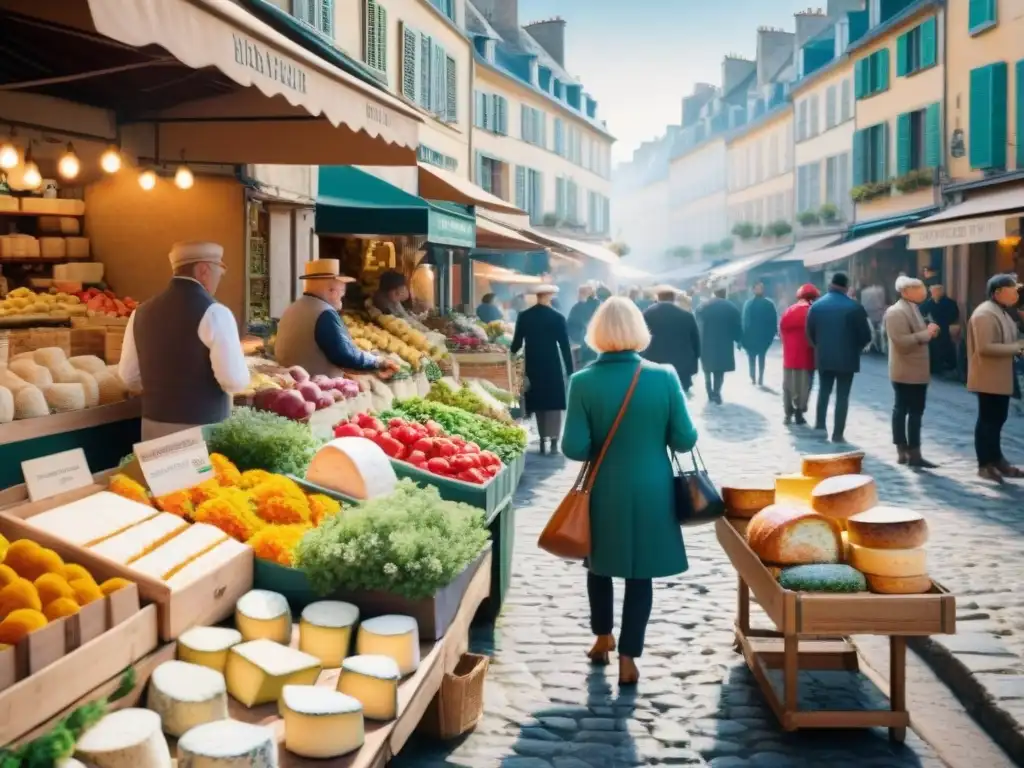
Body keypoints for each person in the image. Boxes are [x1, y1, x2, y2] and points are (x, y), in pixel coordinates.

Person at [561, 297, 698, 687]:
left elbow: (574, 448)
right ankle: (628, 658)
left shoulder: (583, 381)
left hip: (604, 489)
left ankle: (602, 636)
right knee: (641, 575)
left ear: (596, 333)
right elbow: (685, 440)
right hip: (654, 488)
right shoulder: (665, 376)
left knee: (598, 564)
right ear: (640, 330)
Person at [118, 242, 250, 441]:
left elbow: (128, 377)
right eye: (219, 274)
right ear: (203, 270)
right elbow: (234, 381)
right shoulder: (216, 312)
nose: (218, 282)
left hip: (153, 431)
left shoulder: (140, 313)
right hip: (203, 433)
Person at [275, 259, 400, 380]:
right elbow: (346, 355)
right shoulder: (324, 313)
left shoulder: (294, 307)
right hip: (317, 386)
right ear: (331, 291)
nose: (342, 296)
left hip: (294, 382)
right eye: (341, 292)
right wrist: (378, 361)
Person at [966, 274, 1024, 482]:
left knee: (997, 419)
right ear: (997, 292)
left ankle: (997, 459)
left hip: (999, 375)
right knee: (988, 420)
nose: (1016, 293)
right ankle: (985, 464)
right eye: (1013, 289)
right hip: (988, 375)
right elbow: (985, 347)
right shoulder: (985, 313)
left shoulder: (1002, 312)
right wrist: (1017, 349)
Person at [806, 272, 872, 443]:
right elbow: (866, 336)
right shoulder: (855, 307)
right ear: (846, 287)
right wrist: (855, 348)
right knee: (843, 396)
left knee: (823, 391)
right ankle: (838, 433)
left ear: (831, 284)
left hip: (824, 356)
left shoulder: (816, 306)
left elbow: (810, 334)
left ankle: (820, 426)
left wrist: (819, 347)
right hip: (847, 358)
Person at [511, 284, 574, 454]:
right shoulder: (557, 317)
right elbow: (565, 346)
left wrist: (509, 359)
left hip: (533, 364)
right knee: (553, 403)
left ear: (537, 296)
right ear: (550, 296)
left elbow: (516, 344)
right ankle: (554, 440)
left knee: (538, 402)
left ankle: (542, 439)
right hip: (551, 365)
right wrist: (570, 370)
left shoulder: (524, 316)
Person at [884, 277, 940, 467]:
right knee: (902, 410)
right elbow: (902, 341)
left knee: (916, 411)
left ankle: (915, 452)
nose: (923, 292)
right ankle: (903, 450)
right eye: (918, 288)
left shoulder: (914, 308)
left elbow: (918, 332)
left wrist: (931, 330)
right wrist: (927, 334)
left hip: (918, 371)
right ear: (905, 291)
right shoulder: (895, 312)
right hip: (905, 371)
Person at [641, 284, 700, 394]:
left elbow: (640, 340)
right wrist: (694, 361)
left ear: (658, 298)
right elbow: (695, 341)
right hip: (681, 365)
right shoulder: (686, 316)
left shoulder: (647, 314)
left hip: (654, 364)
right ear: (673, 299)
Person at [779, 283, 819, 425]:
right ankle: (799, 413)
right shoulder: (813, 311)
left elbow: (781, 332)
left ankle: (787, 414)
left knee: (788, 386)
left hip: (789, 357)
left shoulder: (789, 311)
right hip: (807, 356)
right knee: (804, 387)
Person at [695, 288, 742, 404]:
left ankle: (709, 390)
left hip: (706, 341)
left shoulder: (703, 306)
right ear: (725, 294)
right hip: (724, 343)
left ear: (714, 293)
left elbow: (697, 322)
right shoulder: (731, 307)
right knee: (719, 370)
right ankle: (716, 392)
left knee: (707, 368)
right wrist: (739, 339)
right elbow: (737, 325)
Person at [741, 280, 778, 386]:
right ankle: (753, 377)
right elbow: (745, 320)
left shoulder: (768, 304)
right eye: (757, 288)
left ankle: (760, 377)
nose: (759, 290)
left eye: (761, 288)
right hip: (751, 335)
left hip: (763, 335)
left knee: (761, 357)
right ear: (753, 289)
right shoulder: (749, 303)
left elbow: (773, 319)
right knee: (752, 358)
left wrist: (772, 333)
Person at [921, 282, 960, 376]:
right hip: (932, 328)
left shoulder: (949, 302)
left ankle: (947, 365)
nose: (934, 293)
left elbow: (954, 315)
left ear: (941, 292)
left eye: (935, 291)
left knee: (945, 346)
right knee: (932, 347)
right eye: (932, 291)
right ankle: (933, 367)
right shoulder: (929, 302)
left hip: (945, 327)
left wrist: (945, 323)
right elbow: (921, 311)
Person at [567, 285, 600, 366]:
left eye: (580, 293)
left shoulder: (577, 308)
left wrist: (577, 339)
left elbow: (570, 326)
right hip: (600, 347)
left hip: (585, 347)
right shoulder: (600, 305)